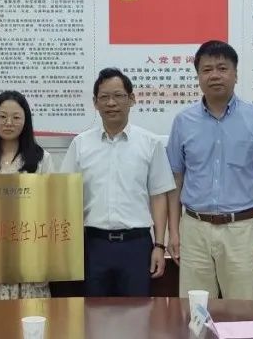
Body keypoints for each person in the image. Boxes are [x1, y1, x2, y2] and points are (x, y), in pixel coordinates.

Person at [166, 40, 253, 300]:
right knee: (195, 311)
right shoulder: (183, 121)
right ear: (198, 76)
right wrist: (173, 232)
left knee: (242, 310)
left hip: (242, 229)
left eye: (222, 68)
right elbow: (175, 180)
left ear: (235, 74)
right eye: (207, 69)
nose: (215, 75)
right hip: (194, 228)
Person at [59, 68, 175, 296]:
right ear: (95, 103)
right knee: (94, 313)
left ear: (131, 99)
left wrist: (160, 245)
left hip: (136, 245)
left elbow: (159, 197)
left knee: (137, 312)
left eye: (118, 96)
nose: (111, 103)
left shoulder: (150, 143)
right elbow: (66, 195)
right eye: (104, 97)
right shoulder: (81, 144)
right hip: (93, 244)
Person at [0, 90, 54, 300]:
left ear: (26, 121)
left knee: (29, 316)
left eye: (16, 117)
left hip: (29, 254)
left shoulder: (42, 159)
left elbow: (52, 207)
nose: (9, 123)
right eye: (2, 116)